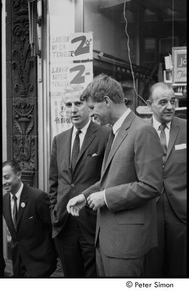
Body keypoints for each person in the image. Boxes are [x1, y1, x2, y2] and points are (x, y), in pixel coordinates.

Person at [67, 74, 163, 277]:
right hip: (108, 241)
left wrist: (106, 197)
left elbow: (152, 186)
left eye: (92, 108)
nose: (91, 114)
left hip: (127, 244)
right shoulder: (114, 131)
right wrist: (84, 196)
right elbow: (111, 178)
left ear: (108, 102)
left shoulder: (142, 131)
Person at [48, 84, 110, 277]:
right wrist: (54, 213)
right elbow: (54, 182)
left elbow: (108, 178)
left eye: (78, 103)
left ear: (88, 105)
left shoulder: (105, 135)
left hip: (92, 222)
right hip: (64, 224)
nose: (73, 109)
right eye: (68, 105)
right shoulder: (59, 140)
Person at [144, 82, 187, 277]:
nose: (170, 106)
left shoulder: (185, 128)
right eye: (163, 102)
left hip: (181, 212)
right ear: (149, 104)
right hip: (148, 211)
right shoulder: (139, 131)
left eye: (173, 101)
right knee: (151, 269)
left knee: (179, 269)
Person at [2, 160, 57, 278]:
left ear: (19, 175)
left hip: (40, 265)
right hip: (18, 266)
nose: (3, 182)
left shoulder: (38, 197)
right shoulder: (4, 200)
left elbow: (52, 229)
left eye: (6, 177)